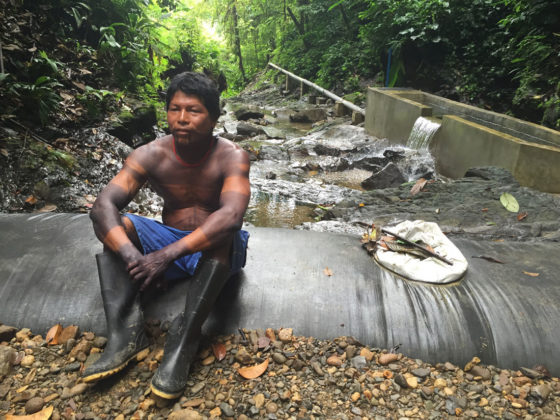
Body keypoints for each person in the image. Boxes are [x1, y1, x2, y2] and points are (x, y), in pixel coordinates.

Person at [81, 72, 250, 400]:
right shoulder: (151, 154)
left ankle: (184, 341)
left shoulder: (232, 155)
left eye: (194, 111)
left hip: (213, 251)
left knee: (222, 231)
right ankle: (124, 336)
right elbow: (103, 205)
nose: (182, 119)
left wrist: (163, 257)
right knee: (120, 226)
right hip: (167, 242)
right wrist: (134, 257)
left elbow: (231, 217)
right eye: (175, 109)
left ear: (214, 118)